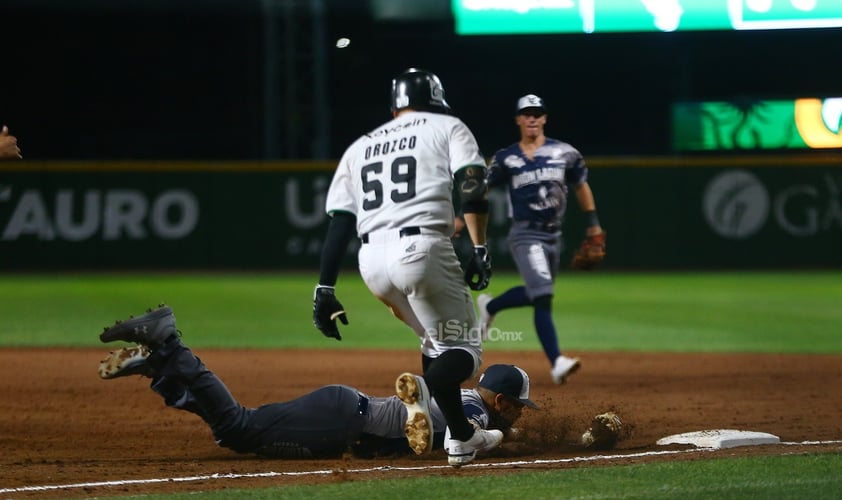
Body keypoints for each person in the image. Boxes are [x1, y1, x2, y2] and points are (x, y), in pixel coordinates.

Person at [311, 68, 500, 466]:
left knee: (435, 342)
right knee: (465, 349)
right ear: (435, 97)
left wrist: (324, 289)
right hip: (422, 249)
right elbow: (471, 183)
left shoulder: (360, 145)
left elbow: (341, 221)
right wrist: (479, 246)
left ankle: (462, 439)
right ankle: (421, 388)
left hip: (372, 261)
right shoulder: (448, 125)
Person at [97, 305, 538, 460]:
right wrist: (500, 435)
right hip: (343, 420)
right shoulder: (476, 410)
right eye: (520, 406)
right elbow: (474, 435)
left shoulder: (463, 396)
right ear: (501, 400)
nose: (521, 412)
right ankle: (170, 345)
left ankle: (161, 367)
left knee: (234, 431)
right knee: (238, 427)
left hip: (344, 411)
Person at [478, 94, 606, 385]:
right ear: (518, 120)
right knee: (544, 296)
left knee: (538, 293)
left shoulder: (565, 153)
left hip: (553, 235)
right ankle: (557, 362)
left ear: (545, 118)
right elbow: (482, 188)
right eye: (527, 113)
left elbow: (581, 186)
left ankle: (491, 306)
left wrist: (594, 224)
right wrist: (465, 216)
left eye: (537, 113)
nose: (532, 118)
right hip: (525, 233)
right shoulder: (506, 157)